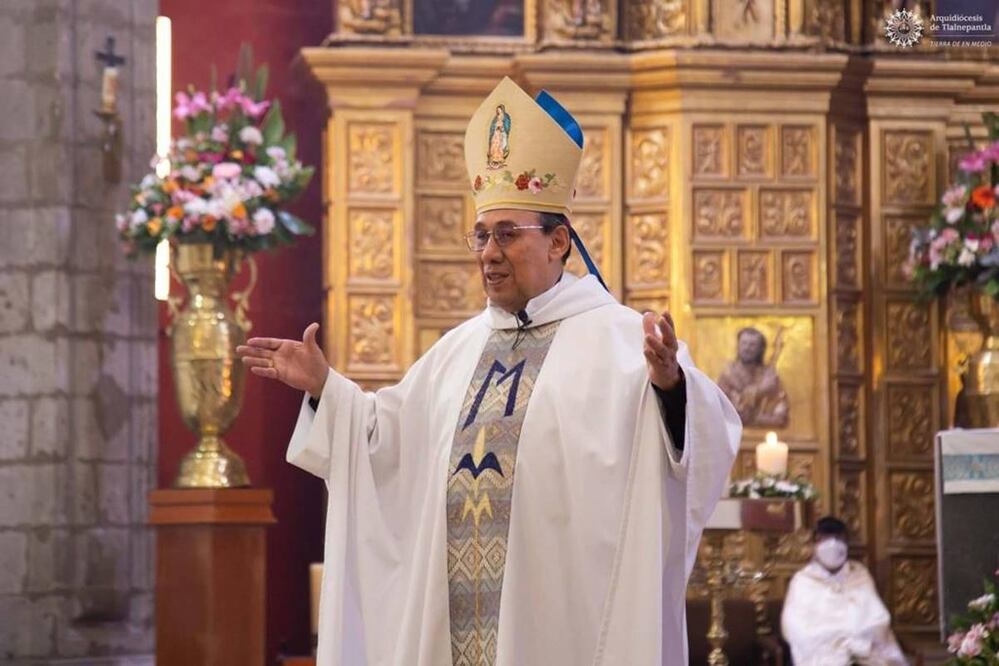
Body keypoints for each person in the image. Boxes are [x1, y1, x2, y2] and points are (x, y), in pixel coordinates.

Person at [237, 77, 741, 666]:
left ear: (558, 242)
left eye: (507, 234)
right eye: (481, 234)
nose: (488, 252)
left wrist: (671, 389)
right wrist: (328, 388)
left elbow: (702, 447)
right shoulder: (457, 352)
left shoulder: (621, 340)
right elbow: (384, 440)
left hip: (561, 630)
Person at [781, 516, 909, 666]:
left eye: (838, 538)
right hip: (822, 655)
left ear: (846, 542)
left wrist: (858, 642)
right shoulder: (803, 580)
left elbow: (877, 617)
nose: (833, 543)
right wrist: (839, 640)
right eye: (826, 538)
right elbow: (795, 627)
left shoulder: (860, 574)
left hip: (867, 653)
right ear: (815, 544)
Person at [717, 326, 790, 428]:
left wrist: (758, 419)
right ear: (738, 346)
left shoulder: (769, 376)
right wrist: (760, 390)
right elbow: (730, 413)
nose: (747, 348)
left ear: (760, 349)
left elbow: (781, 417)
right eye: (744, 343)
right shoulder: (728, 375)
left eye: (752, 345)